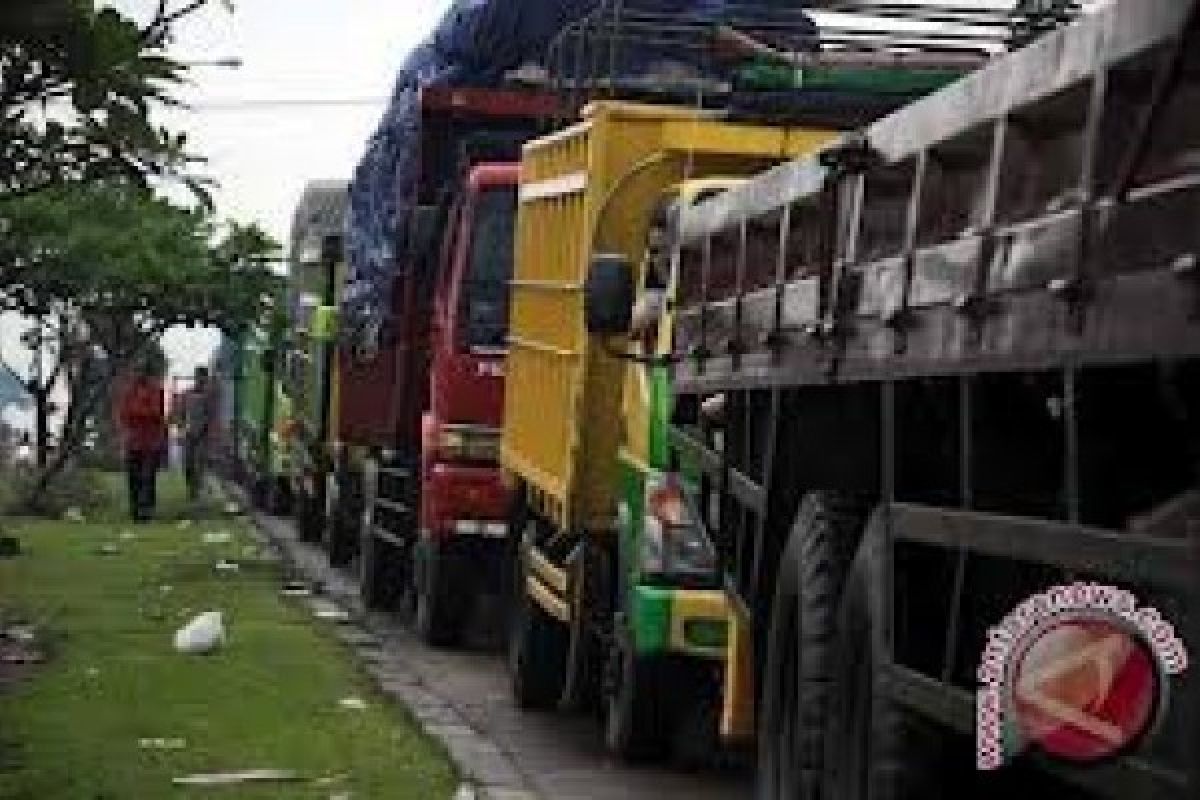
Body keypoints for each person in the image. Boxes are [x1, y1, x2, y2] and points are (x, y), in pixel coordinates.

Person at [118, 363, 166, 522]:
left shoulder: (156, 390)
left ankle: (146, 510)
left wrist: (137, 412)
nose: (137, 375)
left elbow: (156, 413)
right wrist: (138, 413)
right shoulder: (129, 391)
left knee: (148, 477)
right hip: (133, 441)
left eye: (140, 372)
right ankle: (135, 510)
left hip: (151, 442)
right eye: (135, 371)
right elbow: (124, 413)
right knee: (133, 477)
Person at [179, 366, 216, 503]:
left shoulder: (209, 397)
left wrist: (210, 432)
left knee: (199, 463)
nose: (201, 380)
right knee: (188, 463)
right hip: (189, 434)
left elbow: (212, 415)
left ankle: (196, 490)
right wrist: (181, 427)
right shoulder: (187, 394)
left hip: (203, 434)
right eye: (199, 377)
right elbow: (181, 414)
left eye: (203, 377)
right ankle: (191, 485)